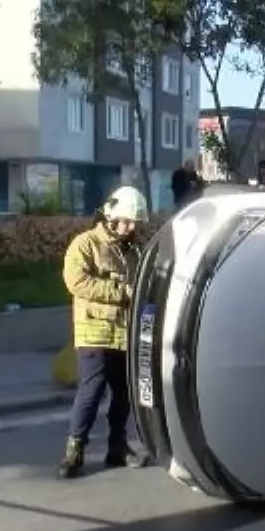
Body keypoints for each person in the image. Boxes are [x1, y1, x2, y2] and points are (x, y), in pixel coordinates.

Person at [59, 186, 154, 479]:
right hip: (95, 332)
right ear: (111, 217)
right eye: (126, 221)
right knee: (91, 392)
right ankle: (74, 451)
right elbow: (77, 281)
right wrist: (121, 292)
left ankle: (117, 447)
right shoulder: (85, 244)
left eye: (135, 222)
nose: (130, 227)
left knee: (124, 395)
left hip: (126, 333)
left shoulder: (137, 250)